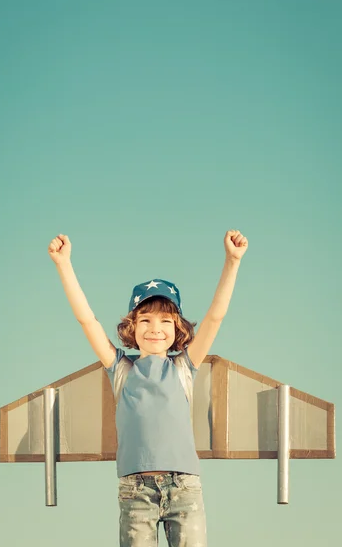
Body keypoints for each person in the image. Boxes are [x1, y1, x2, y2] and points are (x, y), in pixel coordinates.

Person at [48, 229, 248, 547]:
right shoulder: (122, 371)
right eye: (146, 321)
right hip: (135, 490)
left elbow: (215, 318)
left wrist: (232, 262)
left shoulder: (183, 367)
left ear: (178, 329)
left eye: (165, 321)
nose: (155, 328)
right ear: (131, 328)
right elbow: (87, 320)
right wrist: (63, 264)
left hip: (183, 488)